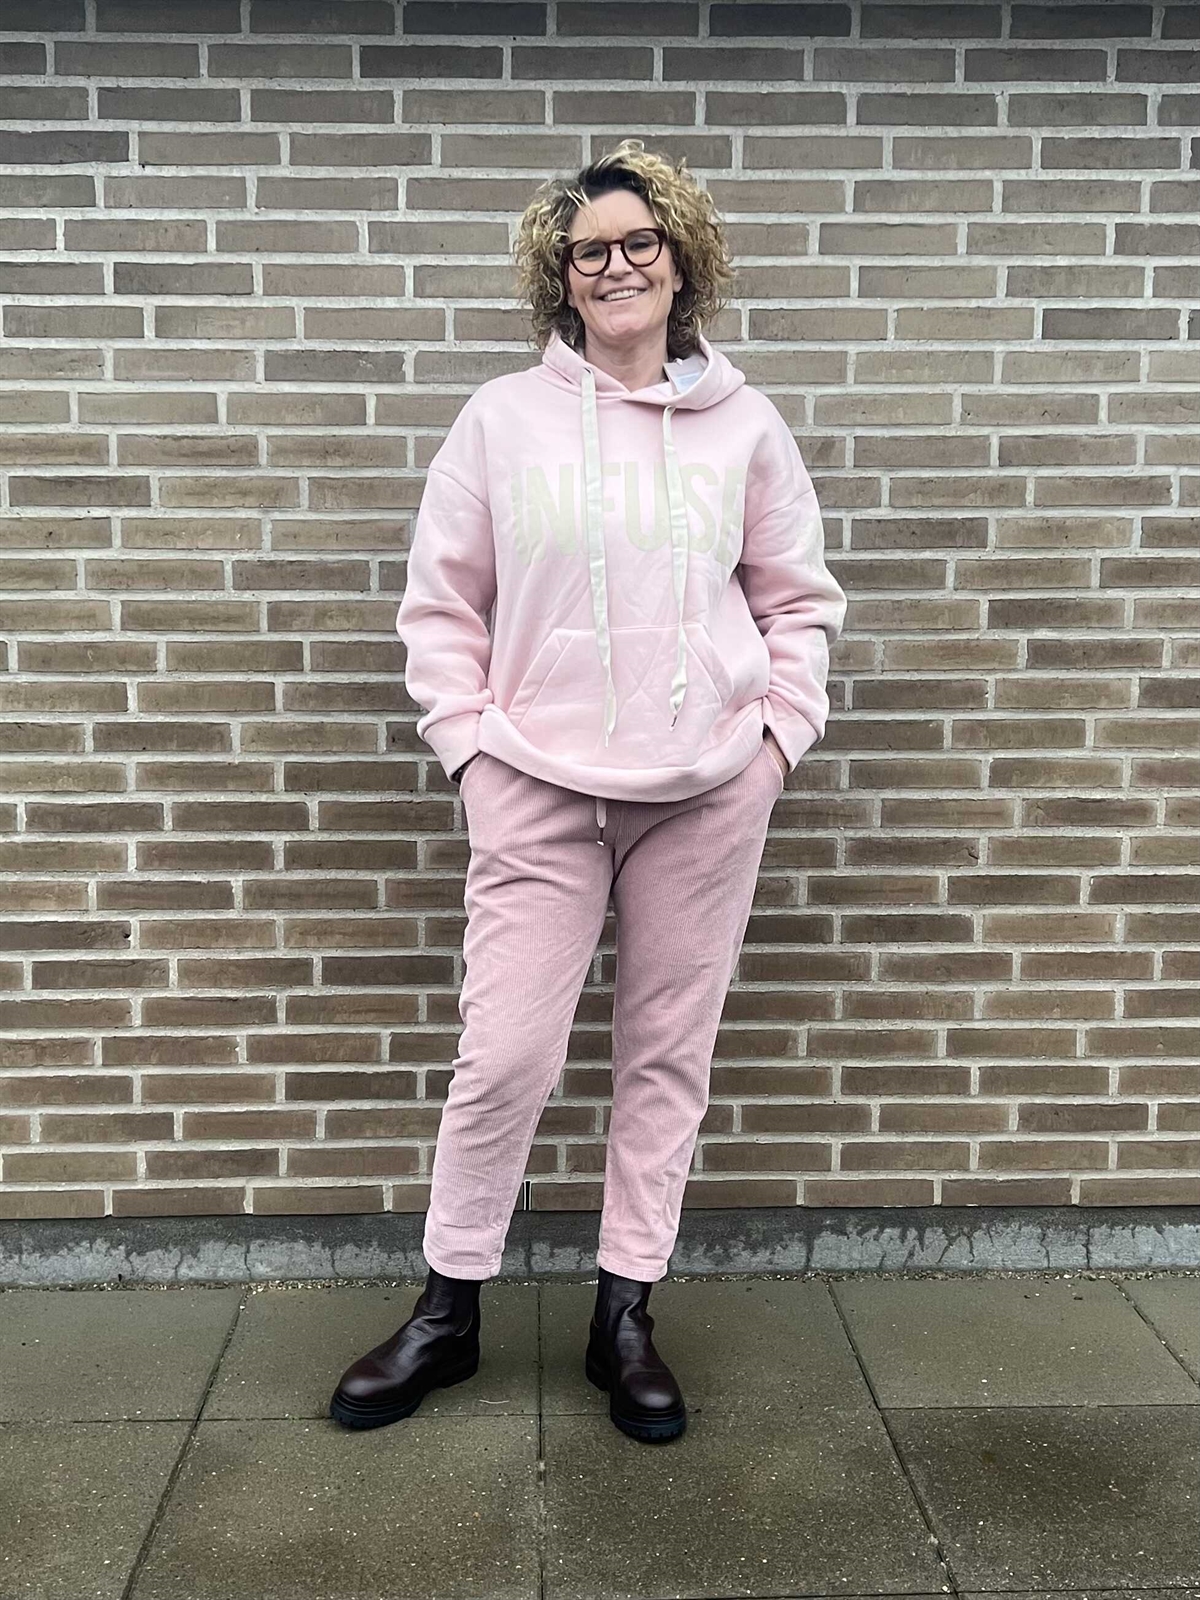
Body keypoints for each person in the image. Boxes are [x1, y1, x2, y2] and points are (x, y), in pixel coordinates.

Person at [330, 138, 847, 1444]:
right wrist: (472, 751)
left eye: (638, 242)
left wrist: (776, 742)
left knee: (666, 1055)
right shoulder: (500, 421)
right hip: (537, 787)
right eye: (588, 252)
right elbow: (441, 605)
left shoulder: (745, 426)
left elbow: (797, 600)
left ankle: (627, 1314)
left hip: (706, 790)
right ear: (560, 278)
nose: (615, 267)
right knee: (505, 1053)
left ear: (680, 257)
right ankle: (448, 1310)